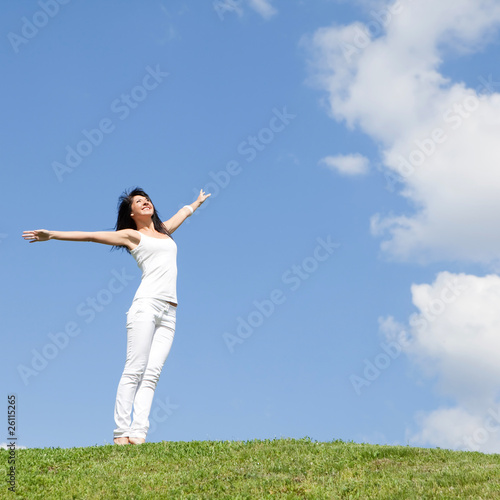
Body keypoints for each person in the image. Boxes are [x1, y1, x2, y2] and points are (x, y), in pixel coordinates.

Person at [22, 187, 211, 445]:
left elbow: (183, 214)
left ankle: (139, 434)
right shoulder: (131, 236)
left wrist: (196, 203)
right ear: (131, 212)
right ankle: (121, 434)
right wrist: (52, 234)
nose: (146, 203)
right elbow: (90, 236)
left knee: (152, 373)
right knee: (134, 369)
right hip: (146, 306)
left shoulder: (164, 232)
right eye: (139, 202)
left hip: (170, 311)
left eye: (147, 200)